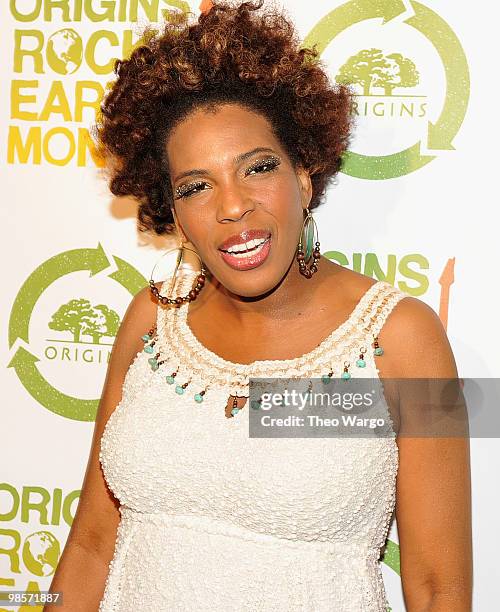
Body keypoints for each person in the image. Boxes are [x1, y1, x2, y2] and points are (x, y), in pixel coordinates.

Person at [46, 1, 472, 610]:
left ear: (303, 175)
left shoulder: (400, 337)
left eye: (257, 168)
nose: (232, 206)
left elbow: (437, 589)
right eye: (196, 186)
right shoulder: (151, 319)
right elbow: (90, 543)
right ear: (173, 211)